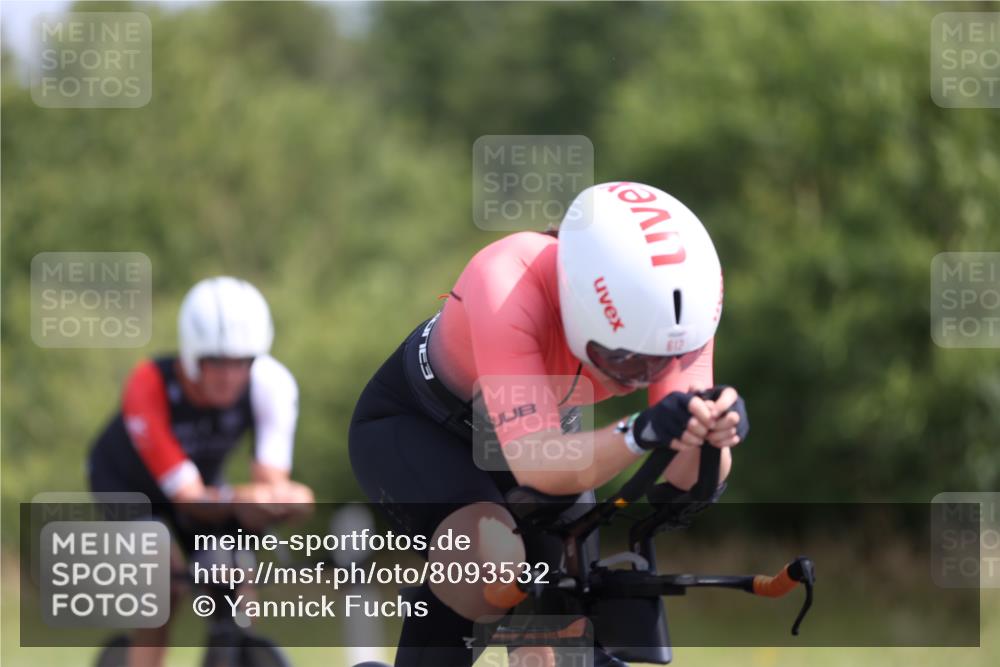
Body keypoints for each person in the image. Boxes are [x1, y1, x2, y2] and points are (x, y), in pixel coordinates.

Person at [349, 181, 749, 666]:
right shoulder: (506, 279)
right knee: (488, 569)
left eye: (660, 364)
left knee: (565, 628)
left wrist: (713, 436)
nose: (639, 379)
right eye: (623, 359)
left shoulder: (681, 310)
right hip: (421, 427)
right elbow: (539, 465)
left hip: (543, 433)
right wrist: (640, 431)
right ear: (577, 301)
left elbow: (682, 483)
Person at [88, 276, 314, 667]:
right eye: (217, 363)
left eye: (242, 362)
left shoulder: (270, 383)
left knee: (233, 579)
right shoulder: (148, 385)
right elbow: (189, 499)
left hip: (202, 486)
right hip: (127, 486)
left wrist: (287, 500)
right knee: (162, 585)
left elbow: (269, 486)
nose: (230, 376)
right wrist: (245, 499)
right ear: (193, 356)